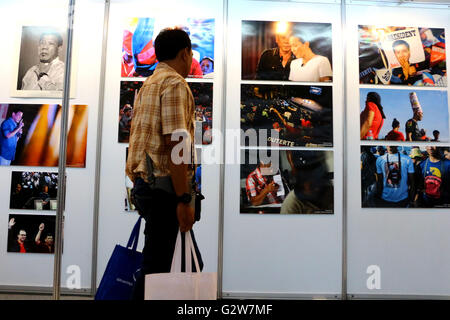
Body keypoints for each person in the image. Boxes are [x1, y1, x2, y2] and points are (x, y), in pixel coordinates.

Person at [126, 28, 203, 300]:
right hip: (164, 191)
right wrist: (184, 199)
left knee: (172, 263)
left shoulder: (148, 83)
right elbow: (176, 146)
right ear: (185, 53)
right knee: (156, 271)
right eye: (191, 54)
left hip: (145, 185)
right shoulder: (174, 84)